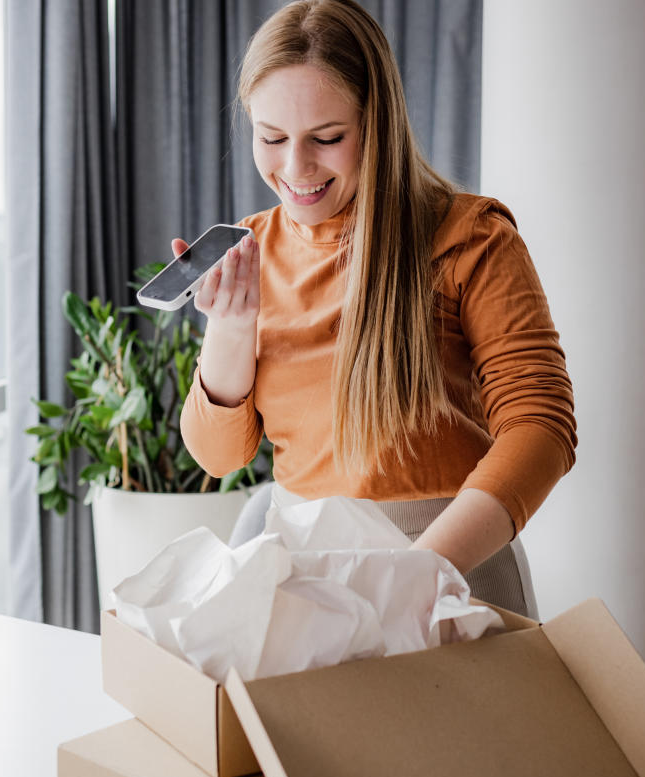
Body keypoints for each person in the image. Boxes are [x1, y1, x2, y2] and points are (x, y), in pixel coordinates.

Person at [176, 0, 576, 617]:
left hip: (450, 568)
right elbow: (219, 456)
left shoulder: (471, 236)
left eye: (327, 139)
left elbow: (541, 427)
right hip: (306, 578)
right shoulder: (253, 249)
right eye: (272, 138)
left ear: (378, 122)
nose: (295, 168)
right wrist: (230, 327)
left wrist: (422, 571)